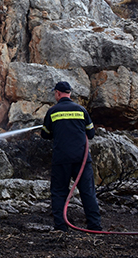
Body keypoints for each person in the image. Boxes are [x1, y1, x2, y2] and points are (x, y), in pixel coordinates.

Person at [40, 81, 102, 232]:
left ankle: (61, 227)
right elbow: (91, 133)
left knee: (59, 192)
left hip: (61, 159)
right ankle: (94, 226)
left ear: (58, 93)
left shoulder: (52, 112)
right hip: (81, 159)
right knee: (88, 192)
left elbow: (45, 134)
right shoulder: (81, 110)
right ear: (69, 93)